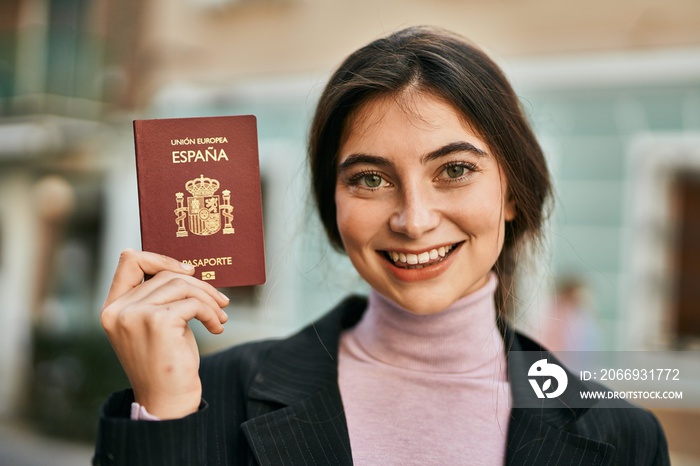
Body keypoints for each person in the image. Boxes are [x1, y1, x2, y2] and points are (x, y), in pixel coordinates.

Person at [92, 26, 670, 465]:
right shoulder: (209, 396)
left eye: (455, 170)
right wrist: (164, 417)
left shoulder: (623, 438)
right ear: (333, 204)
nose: (414, 221)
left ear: (513, 192)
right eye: (369, 179)